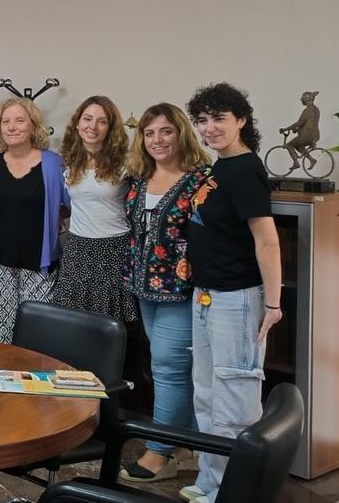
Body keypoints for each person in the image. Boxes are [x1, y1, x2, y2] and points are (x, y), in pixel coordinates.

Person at [183, 83, 283, 503]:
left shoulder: (244, 170)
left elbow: (267, 241)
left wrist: (273, 304)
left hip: (237, 300)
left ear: (241, 120)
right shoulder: (219, 167)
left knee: (235, 402)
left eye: (219, 118)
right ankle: (211, 482)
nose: (209, 128)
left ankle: (236, 492)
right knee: (207, 395)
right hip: (207, 295)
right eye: (202, 120)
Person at [119, 103, 210, 483]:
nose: (157, 140)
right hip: (143, 287)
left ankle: (158, 452)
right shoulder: (139, 178)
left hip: (181, 290)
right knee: (171, 368)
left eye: (166, 131)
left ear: (181, 134)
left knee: (168, 368)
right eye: (149, 133)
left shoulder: (200, 180)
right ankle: (188, 446)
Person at [0, 97, 69, 344]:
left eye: (19, 120)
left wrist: (55, 216)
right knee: (4, 338)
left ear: (33, 125)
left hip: (39, 264)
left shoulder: (53, 163)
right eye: (6, 121)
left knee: (38, 338)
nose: (12, 127)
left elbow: (73, 204)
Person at [51, 96, 138, 323]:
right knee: (73, 322)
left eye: (102, 121)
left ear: (110, 127)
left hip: (114, 249)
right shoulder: (69, 161)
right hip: (77, 248)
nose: (93, 126)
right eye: (87, 119)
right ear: (78, 123)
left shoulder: (126, 163)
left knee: (109, 323)